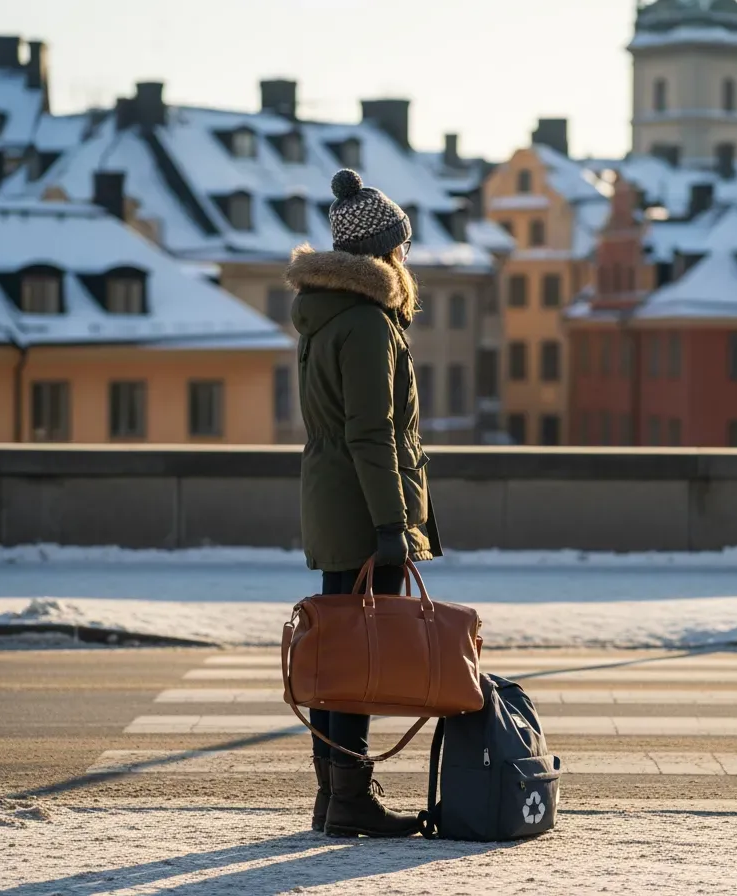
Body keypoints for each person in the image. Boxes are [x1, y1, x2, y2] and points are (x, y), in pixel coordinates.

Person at [284, 168, 443, 838]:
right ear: (381, 253)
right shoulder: (367, 324)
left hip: (331, 497)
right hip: (361, 507)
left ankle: (334, 798)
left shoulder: (325, 316)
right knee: (356, 661)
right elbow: (372, 432)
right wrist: (392, 523)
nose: (405, 257)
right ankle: (349, 800)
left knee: (340, 656)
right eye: (399, 246)